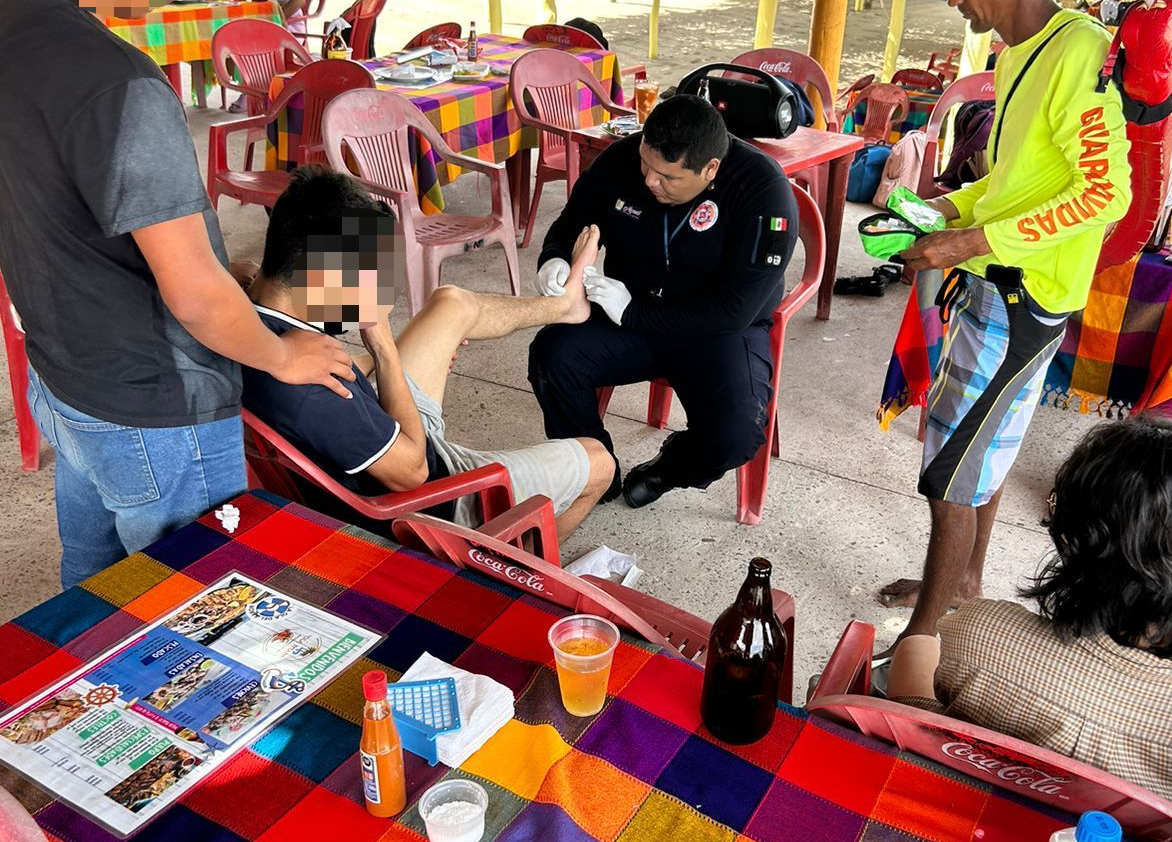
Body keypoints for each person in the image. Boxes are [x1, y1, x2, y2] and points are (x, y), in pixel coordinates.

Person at [0, 0, 351, 588]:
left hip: (62, 376)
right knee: (200, 615)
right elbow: (193, 294)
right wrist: (281, 353)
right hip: (155, 406)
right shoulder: (117, 81)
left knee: (90, 585)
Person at [879, 0, 1131, 637]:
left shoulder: (1080, 54)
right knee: (977, 453)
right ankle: (963, 584)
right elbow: (1015, 180)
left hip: (1026, 296)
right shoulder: (1021, 50)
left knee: (951, 472)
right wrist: (944, 211)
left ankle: (925, 642)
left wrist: (963, 243)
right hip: (997, 284)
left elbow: (1103, 194)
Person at [241, 167, 615, 541]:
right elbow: (414, 472)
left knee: (449, 303)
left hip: (377, 432)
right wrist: (384, 347)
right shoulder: (316, 392)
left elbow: (242, 271)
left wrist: (381, 361)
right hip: (428, 500)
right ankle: (512, 575)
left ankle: (564, 306)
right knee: (599, 461)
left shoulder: (242, 320)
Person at [887, 416, 1172, 814]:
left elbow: (914, 723)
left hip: (959, 815)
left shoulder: (979, 633)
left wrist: (915, 647)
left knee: (915, 648)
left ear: (1074, 538)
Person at [528, 93, 798, 508]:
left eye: (668, 178)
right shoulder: (620, 160)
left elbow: (735, 309)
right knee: (552, 356)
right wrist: (555, 261)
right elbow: (571, 222)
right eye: (646, 166)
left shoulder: (762, 189)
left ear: (710, 168)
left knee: (737, 435)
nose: (650, 181)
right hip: (627, 314)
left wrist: (635, 313)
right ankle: (595, 469)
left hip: (718, 332)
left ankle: (669, 468)